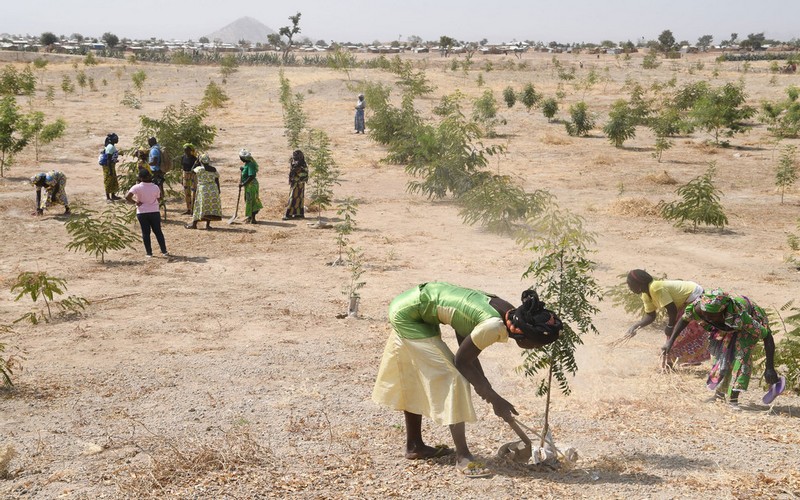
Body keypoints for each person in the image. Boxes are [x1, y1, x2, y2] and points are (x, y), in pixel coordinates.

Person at [372, 282, 562, 477]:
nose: (536, 349)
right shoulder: (493, 326)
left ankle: (414, 446)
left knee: (416, 373)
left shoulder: (507, 312)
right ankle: (463, 457)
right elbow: (461, 362)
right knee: (456, 380)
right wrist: (493, 397)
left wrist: (486, 390)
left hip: (416, 306)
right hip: (409, 315)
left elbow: (466, 344)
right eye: (537, 345)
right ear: (525, 338)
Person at [663, 288, 780, 408]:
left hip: (746, 322)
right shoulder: (699, 308)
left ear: (722, 312)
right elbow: (684, 320)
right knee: (721, 356)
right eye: (705, 315)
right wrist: (670, 342)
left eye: (712, 316)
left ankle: (733, 399)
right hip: (727, 325)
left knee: (740, 357)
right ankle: (719, 395)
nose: (708, 318)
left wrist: (769, 367)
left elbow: (767, 336)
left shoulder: (740, 318)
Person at [624, 269, 710, 367]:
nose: (630, 288)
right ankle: (674, 362)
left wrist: (670, 325)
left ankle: (686, 360)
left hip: (694, 295)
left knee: (680, 331)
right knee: (674, 333)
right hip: (684, 302)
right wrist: (635, 326)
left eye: (630, 285)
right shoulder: (645, 295)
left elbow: (671, 309)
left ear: (639, 284)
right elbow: (650, 315)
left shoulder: (655, 287)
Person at [125, 169, 169, 258]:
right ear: (149, 176)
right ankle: (164, 251)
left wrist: (135, 203)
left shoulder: (136, 187)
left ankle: (149, 253)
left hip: (142, 212)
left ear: (141, 178)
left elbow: (127, 197)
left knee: (146, 233)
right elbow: (159, 198)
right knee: (158, 232)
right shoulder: (155, 187)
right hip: (154, 211)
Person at [185, 153, 222, 230]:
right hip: (213, 189)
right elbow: (217, 179)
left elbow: (192, 170)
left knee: (199, 206)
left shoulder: (199, 169)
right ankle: (207, 225)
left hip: (203, 189)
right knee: (209, 207)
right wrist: (218, 190)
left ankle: (194, 224)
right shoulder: (213, 169)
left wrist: (196, 162)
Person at [238, 148, 263, 224]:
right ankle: (250, 217)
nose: (240, 158)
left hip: (251, 185)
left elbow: (251, 176)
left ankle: (253, 219)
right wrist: (243, 169)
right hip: (249, 185)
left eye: (240, 157)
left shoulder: (250, 164)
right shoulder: (248, 163)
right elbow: (248, 171)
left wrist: (243, 183)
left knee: (252, 201)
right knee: (248, 200)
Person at [283, 149, 308, 220]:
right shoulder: (296, 162)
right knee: (298, 199)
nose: (294, 157)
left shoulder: (301, 164)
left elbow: (303, 174)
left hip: (298, 184)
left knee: (293, 198)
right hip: (297, 183)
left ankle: (289, 214)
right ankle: (299, 214)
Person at [180, 143, 198, 215]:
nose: (186, 152)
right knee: (187, 193)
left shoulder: (195, 159)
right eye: (185, 150)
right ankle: (188, 209)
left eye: (187, 150)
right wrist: (182, 178)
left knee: (194, 193)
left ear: (191, 150)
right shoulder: (183, 157)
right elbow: (182, 168)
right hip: (185, 175)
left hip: (193, 175)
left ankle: (193, 209)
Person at [102, 132, 121, 202]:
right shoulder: (110, 147)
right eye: (116, 138)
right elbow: (108, 159)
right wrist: (110, 170)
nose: (117, 139)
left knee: (113, 180)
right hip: (108, 167)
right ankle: (108, 197)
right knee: (108, 180)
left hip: (111, 166)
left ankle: (113, 195)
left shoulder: (112, 146)